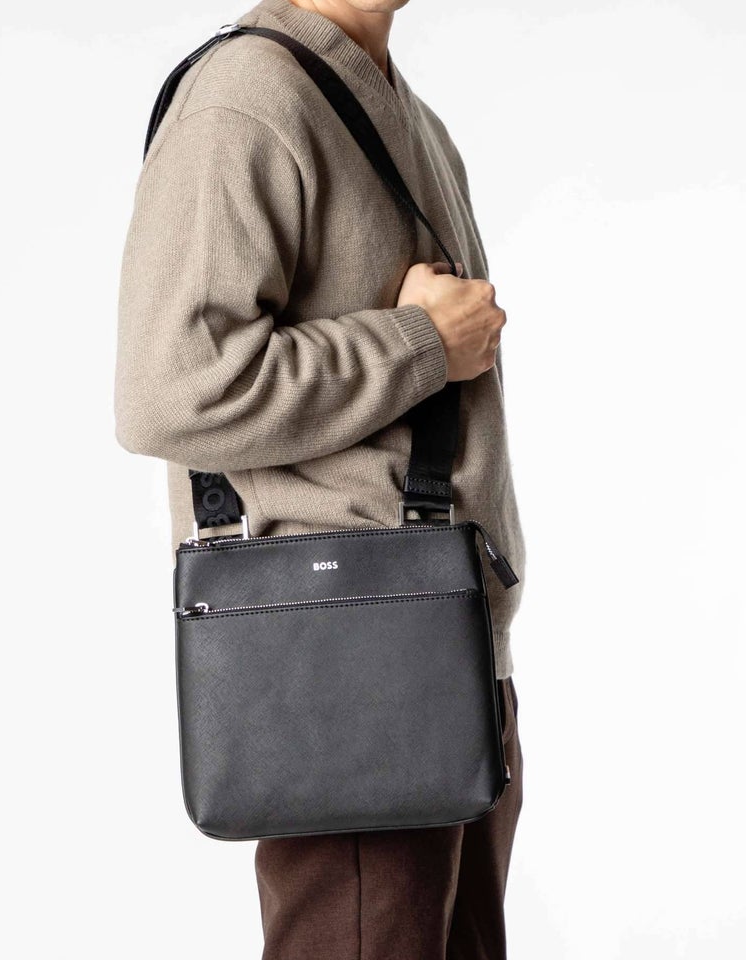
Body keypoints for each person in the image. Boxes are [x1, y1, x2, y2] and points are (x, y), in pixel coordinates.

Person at [114, 0, 526, 956]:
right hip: (344, 668)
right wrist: (420, 342)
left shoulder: (407, 112)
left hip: (449, 647)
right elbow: (167, 389)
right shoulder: (244, 100)